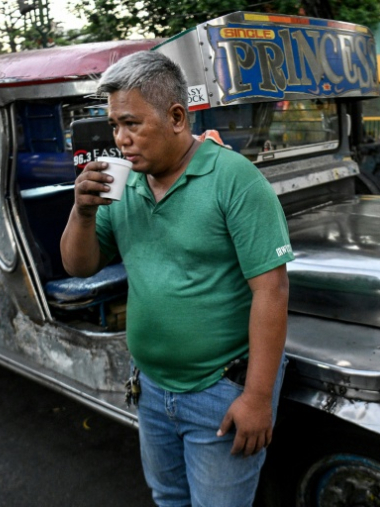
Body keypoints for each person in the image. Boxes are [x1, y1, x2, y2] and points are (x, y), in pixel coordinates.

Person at [60, 50, 293, 507]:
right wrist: (82, 211)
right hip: (151, 387)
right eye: (114, 126)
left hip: (221, 390)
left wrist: (258, 397)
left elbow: (272, 289)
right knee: (168, 498)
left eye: (132, 124)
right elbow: (79, 265)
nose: (121, 140)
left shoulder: (233, 180)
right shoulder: (121, 186)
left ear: (177, 117)